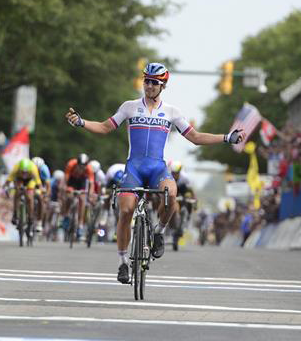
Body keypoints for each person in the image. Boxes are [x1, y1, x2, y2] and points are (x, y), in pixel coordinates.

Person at [65, 62, 243, 283]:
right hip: (134, 169)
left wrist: (226, 137)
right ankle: (122, 263)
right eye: (146, 81)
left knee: (171, 194)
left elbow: (195, 137)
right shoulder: (129, 107)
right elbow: (104, 127)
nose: (149, 86)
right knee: (126, 210)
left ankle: (159, 232)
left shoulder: (172, 112)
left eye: (154, 83)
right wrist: (81, 122)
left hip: (158, 168)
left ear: (163, 85)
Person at [4, 158, 42, 230]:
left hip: (30, 180)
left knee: (30, 197)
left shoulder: (33, 169)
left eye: (26, 172)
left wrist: (39, 190)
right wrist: (6, 187)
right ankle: (15, 214)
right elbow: (9, 180)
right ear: (20, 170)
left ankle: (30, 217)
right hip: (19, 179)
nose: (24, 174)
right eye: (23, 172)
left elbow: (38, 183)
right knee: (17, 192)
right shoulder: (16, 168)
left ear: (29, 170)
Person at [63, 153, 95, 240]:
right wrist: (65, 188)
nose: (81, 168)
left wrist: (90, 195)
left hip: (82, 181)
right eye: (80, 166)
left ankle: (80, 225)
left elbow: (91, 184)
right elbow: (66, 179)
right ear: (77, 163)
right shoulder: (71, 164)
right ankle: (66, 215)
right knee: (69, 196)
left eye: (83, 166)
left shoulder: (89, 169)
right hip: (72, 180)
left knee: (82, 199)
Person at [32, 156, 51, 233]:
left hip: (41, 185)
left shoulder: (44, 170)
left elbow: (48, 185)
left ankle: (39, 222)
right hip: (32, 183)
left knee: (41, 199)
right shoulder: (30, 168)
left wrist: (46, 195)